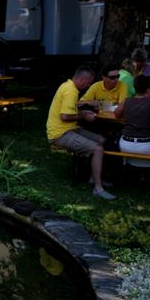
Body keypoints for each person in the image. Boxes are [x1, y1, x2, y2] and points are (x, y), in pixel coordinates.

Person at [46, 66, 114, 200]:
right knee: (98, 149)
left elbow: (70, 110)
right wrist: (83, 116)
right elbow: (64, 116)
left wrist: (82, 111)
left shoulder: (67, 85)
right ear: (82, 79)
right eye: (88, 83)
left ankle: (94, 177)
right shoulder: (71, 91)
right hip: (60, 134)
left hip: (70, 128)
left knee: (101, 140)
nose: (88, 85)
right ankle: (98, 188)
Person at [117, 75, 150, 169]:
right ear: (148, 90)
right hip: (147, 147)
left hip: (125, 144)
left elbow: (116, 114)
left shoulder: (126, 101)